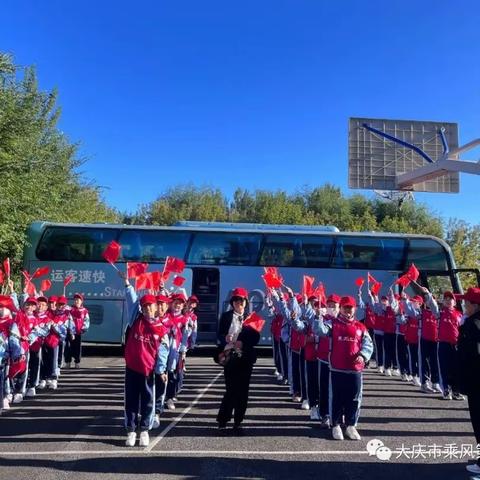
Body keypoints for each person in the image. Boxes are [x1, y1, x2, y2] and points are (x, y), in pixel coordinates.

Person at [313, 295, 373, 441]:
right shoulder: (332, 324)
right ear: (341, 309)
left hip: (355, 369)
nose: (347, 310)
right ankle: (336, 425)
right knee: (336, 398)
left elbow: (368, 344)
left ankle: (351, 425)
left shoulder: (361, 327)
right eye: (345, 307)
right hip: (337, 368)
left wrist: (363, 356)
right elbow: (319, 331)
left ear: (354, 309)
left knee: (354, 398)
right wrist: (317, 317)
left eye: (350, 307)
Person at [216, 287, 260, 435]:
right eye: (236, 300)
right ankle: (223, 420)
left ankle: (238, 421)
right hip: (230, 357)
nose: (239, 303)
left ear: (246, 302)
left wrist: (244, 343)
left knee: (243, 392)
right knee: (230, 390)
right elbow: (219, 335)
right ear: (232, 302)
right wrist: (225, 338)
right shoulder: (226, 316)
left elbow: (256, 338)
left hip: (246, 358)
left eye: (241, 300)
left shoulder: (251, 317)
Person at [456, 287, 480, 475]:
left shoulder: (473, 325)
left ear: (475, 305)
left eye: (466, 303)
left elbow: (472, 355)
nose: (464, 305)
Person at [65, 293, 90, 369]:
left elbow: (87, 321)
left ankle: (77, 362)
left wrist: (83, 329)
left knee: (78, 348)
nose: (76, 301)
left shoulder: (84, 311)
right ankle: (67, 362)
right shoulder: (70, 309)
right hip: (70, 332)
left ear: (81, 301)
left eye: (78, 300)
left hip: (78, 332)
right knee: (68, 347)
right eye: (75, 300)